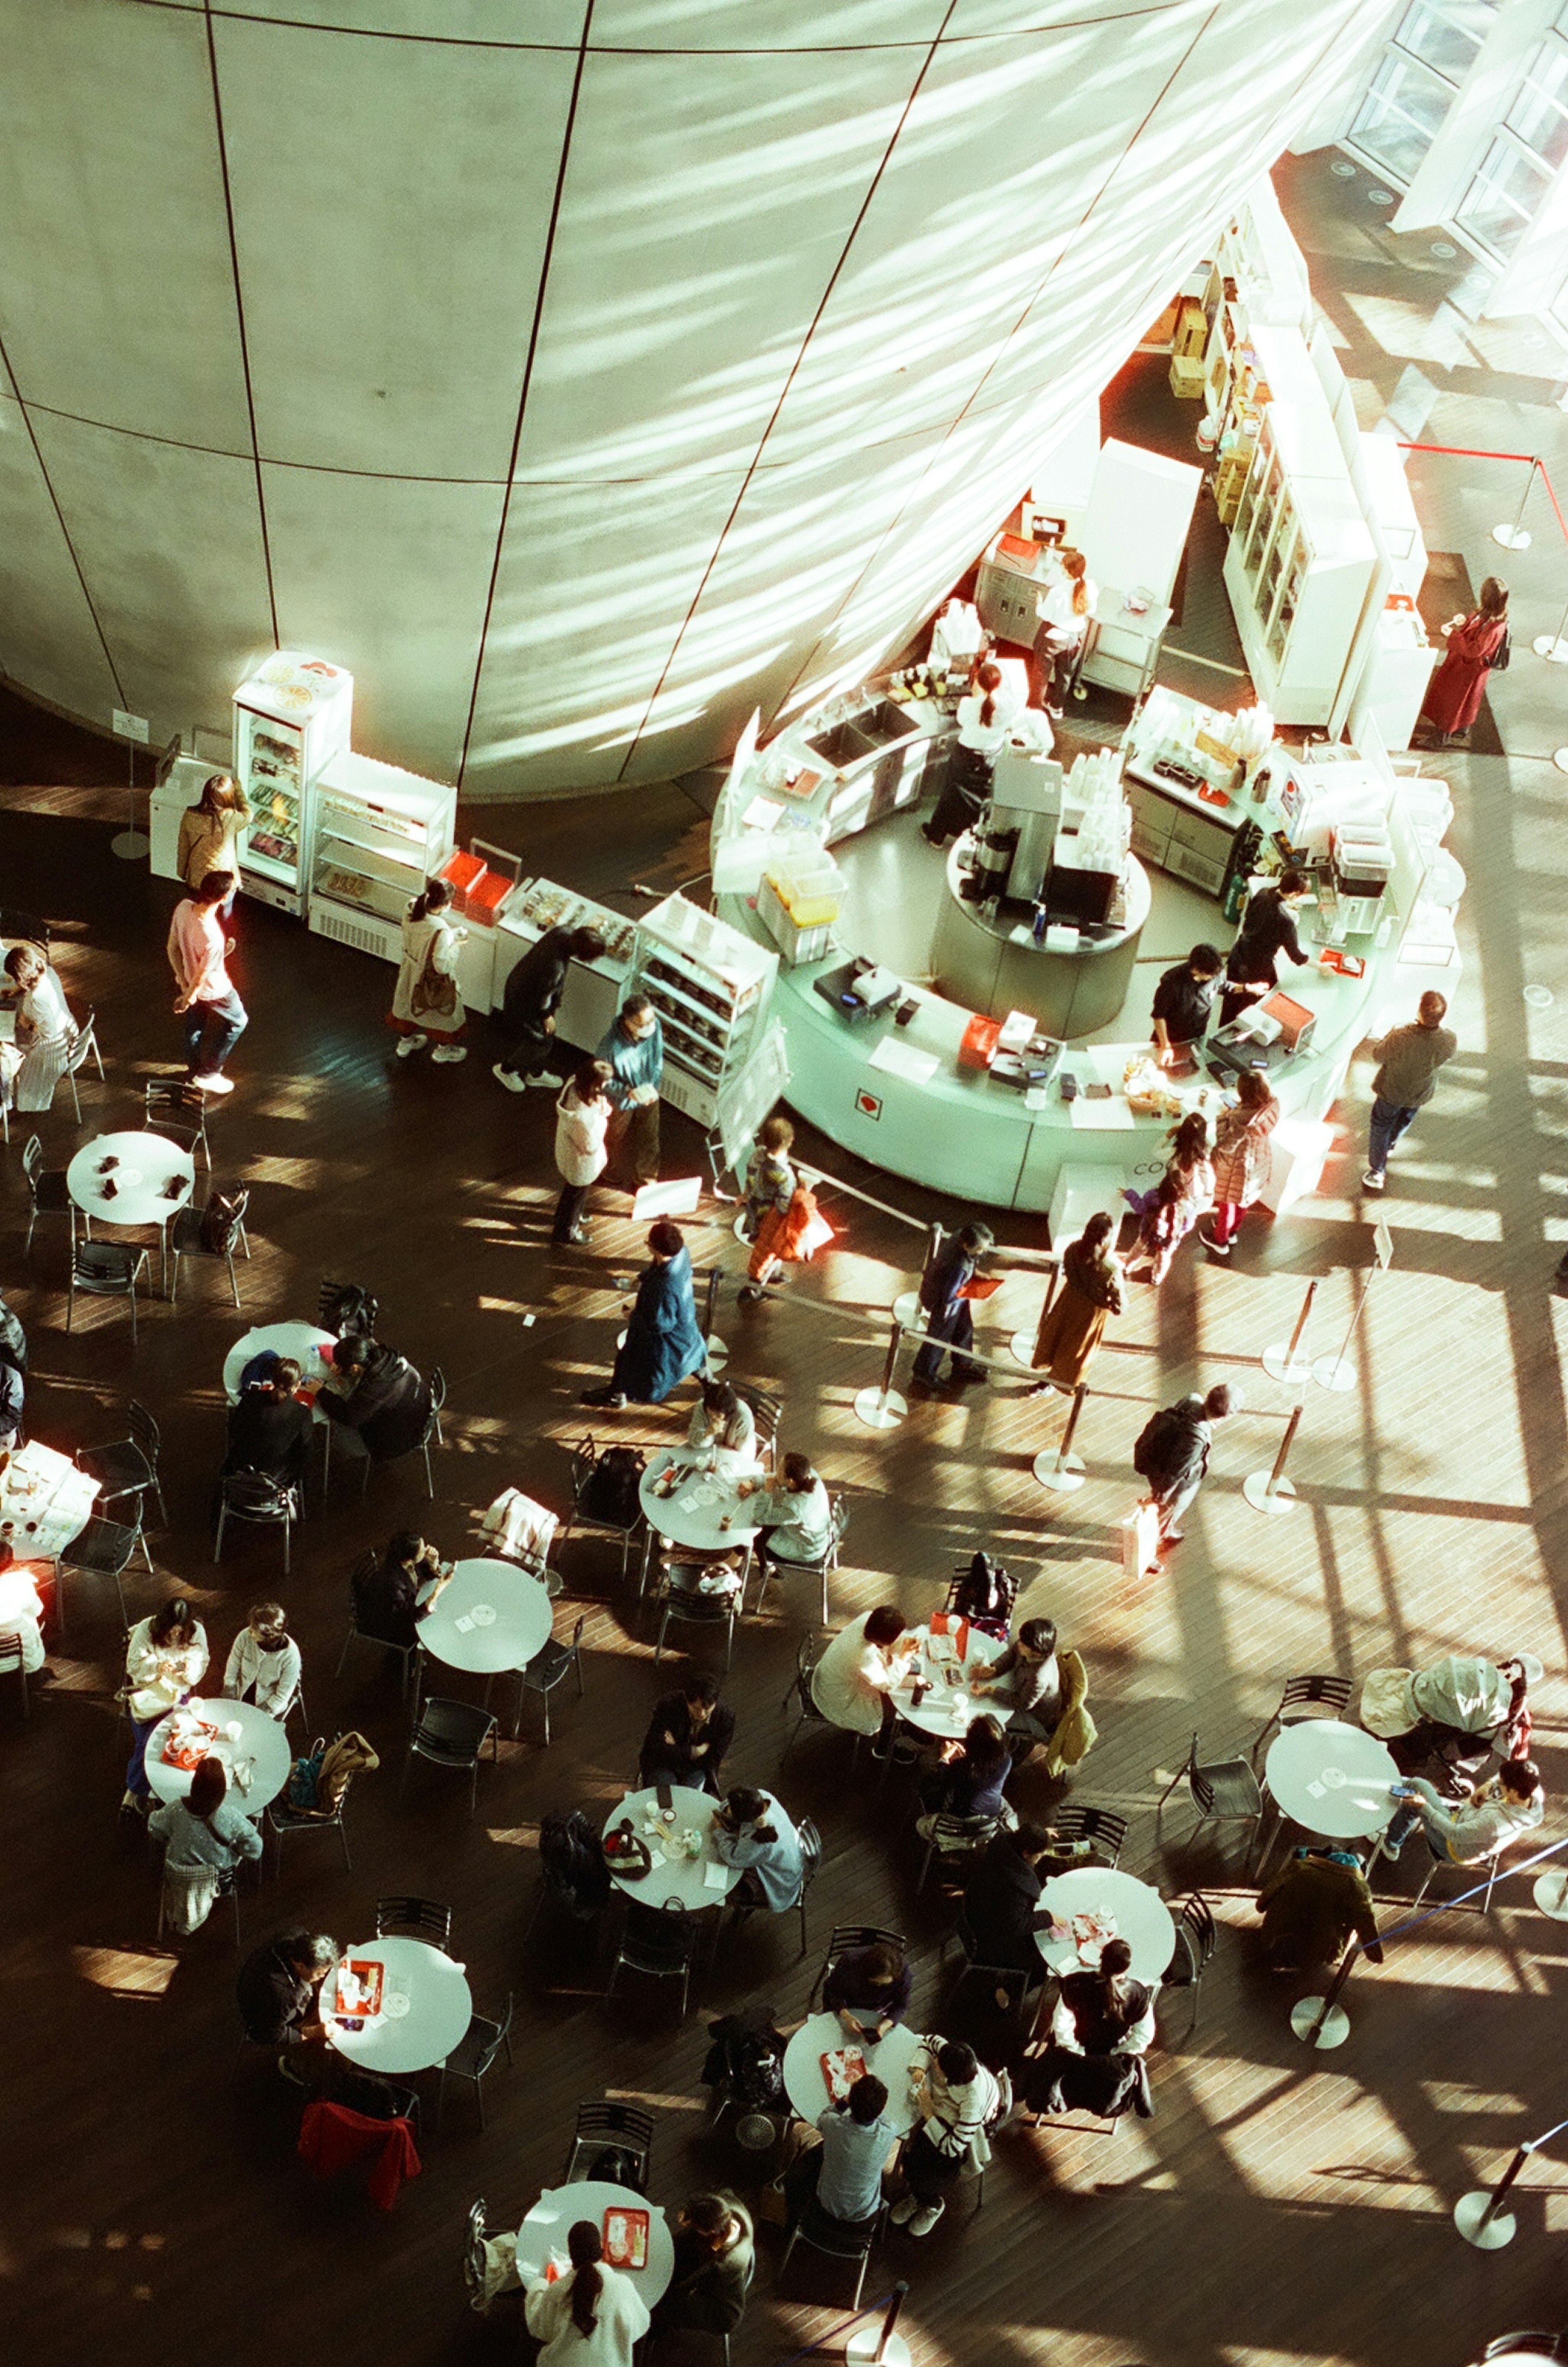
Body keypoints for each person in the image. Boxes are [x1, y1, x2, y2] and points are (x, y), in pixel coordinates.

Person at [1021, 1937, 1156, 2123]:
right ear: (1127, 1969)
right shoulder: (1138, 1994)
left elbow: (1061, 2026)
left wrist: (1079, 2051)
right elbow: (1144, 2036)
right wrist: (1115, 2054)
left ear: (1100, 1957)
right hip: (1106, 2074)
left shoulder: (1075, 1984)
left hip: (1070, 2062)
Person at [581, 1219, 706, 1408]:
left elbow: (661, 1324)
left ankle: (616, 1396)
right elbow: (657, 1268)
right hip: (686, 1326)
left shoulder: (665, 1286)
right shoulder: (681, 1253)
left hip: (662, 1341)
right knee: (693, 1358)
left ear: (655, 1249)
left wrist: (632, 1316)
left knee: (628, 1362)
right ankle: (711, 1385)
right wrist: (642, 1278)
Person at [891, 2037, 1000, 2237]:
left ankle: (933, 2203)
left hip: (964, 2134)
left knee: (930, 2173)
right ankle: (916, 2193)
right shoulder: (951, 2055)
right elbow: (929, 2041)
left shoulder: (972, 2103)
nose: (935, 2062)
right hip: (946, 2114)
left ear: (951, 2077)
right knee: (915, 2156)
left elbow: (953, 2147)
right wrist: (919, 2069)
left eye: (938, 2065)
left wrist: (928, 2113)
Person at [149, 1754, 265, 1933]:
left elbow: (154, 1827)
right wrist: (239, 1850)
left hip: (177, 1879)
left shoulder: (176, 1809)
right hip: (220, 1882)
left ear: (194, 1785)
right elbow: (255, 1851)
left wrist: (172, 1837)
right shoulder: (231, 1816)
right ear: (221, 1790)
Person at [492, 923, 607, 1093]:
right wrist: (547, 1016)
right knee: (542, 1042)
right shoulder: (555, 968)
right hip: (526, 1003)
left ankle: (535, 1073)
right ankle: (507, 1069)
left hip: (520, 987)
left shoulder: (564, 931)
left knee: (542, 1039)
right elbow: (542, 998)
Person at [1362, 990, 1457, 1193]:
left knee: (1381, 1125)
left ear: (1420, 1011)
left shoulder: (1401, 1036)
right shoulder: (1449, 1039)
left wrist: (1389, 1036)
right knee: (1404, 1120)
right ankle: (1390, 1145)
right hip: (1419, 1093)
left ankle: (1378, 1171)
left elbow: (1378, 1055)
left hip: (1392, 1091)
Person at [121, 1597, 209, 1813]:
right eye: (172, 1630)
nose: (175, 1636)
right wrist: (158, 1667)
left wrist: (188, 1669)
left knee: (170, 1741)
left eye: (181, 1631)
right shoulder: (146, 1629)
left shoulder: (197, 1632)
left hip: (177, 1696)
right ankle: (139, 1789)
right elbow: (133, 1667)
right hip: (149, 1693)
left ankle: (139, 1790)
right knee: (151, 1743)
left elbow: (201, 1665)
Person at [524, 2219, 650, 2367]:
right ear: (602, 2247)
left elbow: (539, 2327)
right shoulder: (622, 2286)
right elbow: (640, 2325)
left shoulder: (558, 2291)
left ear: (571, 2254)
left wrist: (540, 2284)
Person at [961, 1823, 1063, 2001]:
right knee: (1043, 1962)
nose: (1040, 1858)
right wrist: (1048, 1918)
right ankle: (1006, 1993)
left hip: (975, 1914)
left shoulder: (1001, 1846)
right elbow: (1016, 1924)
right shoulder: (1014, 1887)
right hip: (990, 1942)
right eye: (1039, 1855)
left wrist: (1041, 1837)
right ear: (1026, 1853)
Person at [167, 868, 247, 1094]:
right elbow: (204, 977)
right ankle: (209, 1073)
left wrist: (183, 983)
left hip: (190, 982)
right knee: (239, 1021)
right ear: (222, 899)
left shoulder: (183, 908)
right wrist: (189, 996)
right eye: (231, 891)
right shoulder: (213, 936)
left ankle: (193, 1070)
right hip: (215, 989)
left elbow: (172, 948)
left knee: (195, 1026)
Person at [1134, 1383, 1237, 1555]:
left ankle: (1164, 1528)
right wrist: (1160, 1498)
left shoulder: (1192, 1399)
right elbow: (1174, 1473)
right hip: (1174, 1488)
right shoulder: (1196, 1439)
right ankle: (1150, 1550)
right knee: (1166, 1515)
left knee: (1164, 1512)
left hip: (1157, 1461)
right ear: (1226, 1417)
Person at [1382, 1759, 1544, 1866]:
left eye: (1502, 1784)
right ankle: (1396, 1831)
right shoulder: (1534, 1796)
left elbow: (1454, 1834)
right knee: (1415, 1797)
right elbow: (1498, 1778)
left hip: (1451, 1845)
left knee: (1418, 1786)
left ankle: (1391, 1844)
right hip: (1466, 1818)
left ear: (1514, 1792)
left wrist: (1424, 1807)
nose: (1498, 1784)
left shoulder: (1495, 1823)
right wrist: (1486, 1786)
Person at [787, 2072, 898, 2228]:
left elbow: (824, 2118)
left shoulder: (834, 2126)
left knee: (817, 2152)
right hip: (864, 2213)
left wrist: (845, 2101)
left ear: (851, 2102)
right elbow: (889, 2123)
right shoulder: (888, 2133)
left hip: (827, 2203)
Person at [1029, 1210, 1123, 1393]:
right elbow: (1121, 1305)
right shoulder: (1110, 1270)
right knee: (1075, 1351)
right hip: (1090, 1315)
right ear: (1107, 1240)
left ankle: (1047, 1380)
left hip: (1068, 1301)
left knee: (1056, 1337)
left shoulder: (1072, 1250)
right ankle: (1058, 1383)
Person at [922, 660, 1012, 847]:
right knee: (979, 800)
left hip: (966, 757)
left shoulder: (969, 704)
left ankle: (936, 836)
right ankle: (968, 835)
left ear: (978, 682)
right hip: (992, 757)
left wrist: (976, 695)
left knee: (951, 796)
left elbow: (962, 721)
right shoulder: (1009, 706)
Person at [1256, 1846, 1383, 1974]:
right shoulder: (1358, 1888)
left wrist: (1262, 1906)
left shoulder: (1299, 1867)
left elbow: (1266, 1896)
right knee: (1355, 1918)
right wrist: (1375, 1955)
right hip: (1320, 1953)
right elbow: (1367, 1925)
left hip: (1274, 1939)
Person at [236, 1927, 338, 2085]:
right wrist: (315, 2032)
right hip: (263, 2021)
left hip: (257, 1987)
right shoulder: (284, 1995)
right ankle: (294, 2067)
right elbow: (269, 2035)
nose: (323, 1976)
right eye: (319, 1974)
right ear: (300, 1966)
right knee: (322, 2049)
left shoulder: (295, 1936)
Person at [1419, 575, 1508, 746]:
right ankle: (1462, 728)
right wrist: (1465, 622)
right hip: (1467, 668)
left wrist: (1452, 635)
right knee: (1465, 703)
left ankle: (1440, 739)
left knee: (1452, 704)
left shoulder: (1494, 626)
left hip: (1467, 669)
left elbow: (1475, 650)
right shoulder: (1493, 616)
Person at [1127, 1112, 1214, 1286]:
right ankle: (1157, 1277)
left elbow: (1156, 1151)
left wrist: (1169, 1134)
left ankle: (1127, 1266)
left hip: (1163, 1207)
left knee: (1142, 1242)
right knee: (1166, 1252)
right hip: (1183, 1213)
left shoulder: (1175, 1152)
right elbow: (1206, 1197)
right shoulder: (1205, 1156)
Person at [388, 875, 468, 1063]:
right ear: (446, 904)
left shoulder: (410, 907)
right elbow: (442, 966)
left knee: (407, 1006)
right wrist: (457, 945)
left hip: (409, 969)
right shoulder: (440, 929)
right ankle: (442, 1051)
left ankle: (406, 1043)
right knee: (441, 1016)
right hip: (430, 980)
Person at [652, 2193, 754, 2338]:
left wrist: (685, 2303)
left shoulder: (729, 2268)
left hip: (695, 2292)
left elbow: (729, 2319)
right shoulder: (720, 2211)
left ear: (711, 2234)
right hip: (693, 2262)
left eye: (694, 2227)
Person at [1200, 1068, 1279, 1254]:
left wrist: (1224, 1118)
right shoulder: (1271, 1107)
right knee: (1244, 1202)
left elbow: (1225, 1144)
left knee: (1228, 1205)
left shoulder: (1239, 1120)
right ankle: (1233, 1231)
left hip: (1237, 1168)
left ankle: (1220, 1241)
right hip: (1258, 1162)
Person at [320, 1334, 432, 1462]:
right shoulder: (385, 1356)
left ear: (354, 1368)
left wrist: (321, 1392)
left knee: (339, 1430)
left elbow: (348, 1417)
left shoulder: (375, 1388)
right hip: (423, 1410)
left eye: (341, 1366)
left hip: (400, 1440)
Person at [1220, 870, 1311, 1027]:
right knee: (1250, 1009)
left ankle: (1219, 1037)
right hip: (1258, 968)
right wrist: (1321, 966)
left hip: (1239, 955)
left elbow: (1249, 916)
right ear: (1296, 894)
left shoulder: (1262, 894)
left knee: (1231, 1002)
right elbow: (1297, 957)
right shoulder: (1286, 921)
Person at [810, 1605, 914, 1742]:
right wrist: (903, 1659)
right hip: (835, 1699)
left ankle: (898, 1729)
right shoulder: (863, 1656)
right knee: (890, 1704)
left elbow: (886, 1640)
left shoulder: (866, 1619)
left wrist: (905, 1643)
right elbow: (887, 1685)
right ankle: (884, 1745)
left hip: (827, 1678)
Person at [912, 1220, 994, 1390]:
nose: (983, 1252)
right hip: (945, 1302)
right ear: (966, 1245)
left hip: (953, 1296)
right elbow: (949, 1295)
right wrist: (974, 1291)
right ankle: (924, 1373)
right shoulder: (959, 1266)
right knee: (939, 1337)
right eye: (981, 1250)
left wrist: (975, 1275)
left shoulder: (961, 1235)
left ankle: (963, 1365)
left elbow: (969, 1264)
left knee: (964, 1328)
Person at [0, 943, 77, 1112]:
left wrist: (25, 1023)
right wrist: (15, 990)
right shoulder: (45, 969)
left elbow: (40, 1030)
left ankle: (15, 1101)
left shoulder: (36, 999)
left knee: (10, 1050)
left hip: (51, 1048)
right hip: (67, 1027)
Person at [222, 1355, 313, 1496]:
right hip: (277, 1480)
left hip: (240, 1471)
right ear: (297, 1385)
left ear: (272, 1379)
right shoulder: (302, 1413)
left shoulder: (250, 1398)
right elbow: (305, 1452)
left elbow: (234, 1429)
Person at [597, 994, 663, 1188]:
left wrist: (653, 1085)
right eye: (644, 1024)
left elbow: (658, 1056)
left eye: (652, 1019)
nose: (650, 1026)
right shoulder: (609, 1048)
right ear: (629, 1022)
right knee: (612, 1137)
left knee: (650, 1138)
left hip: (649, 1091)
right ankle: (604, 1168)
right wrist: (627, 1091)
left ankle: (645, 1180)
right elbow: (603, 1081)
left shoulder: (655, 1027)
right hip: (621, 1101)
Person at [351, 1531, 453, 1652]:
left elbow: (427, 1573)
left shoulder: (401, 1561)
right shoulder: (393, 1584)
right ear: (410, 1558)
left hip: (395, 1609)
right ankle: (412, 1663)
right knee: (437, 1628)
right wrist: (437, 1592)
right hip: (385, 1625)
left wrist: (433, 1562)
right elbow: (410, 1618)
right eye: (422, 1550)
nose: (426, 1550)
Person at [970, 1616, 1062, 1747]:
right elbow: (1013, 1653)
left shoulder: (1039, 1677)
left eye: (1023, 1644)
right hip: (1020, 1688)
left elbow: (1022, 1703)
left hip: (1033, 1715)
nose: (1019, 1644)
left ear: (1036, 1652)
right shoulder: (1029, 1646)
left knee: (987, 1722)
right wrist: (995, 1669)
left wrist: (992, 1690)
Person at [712, 1783, 804, 1912]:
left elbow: (733, 1858)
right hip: (790, 1859)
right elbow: (726, 1804)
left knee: (724, 1891)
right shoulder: (763, 1797)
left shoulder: (759, 1839)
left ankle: (739, 1913)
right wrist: (727, 1809)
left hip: (781, 1882)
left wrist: (720, 1831)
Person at [638, 1673, 735, 1793]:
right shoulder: (668, 1706)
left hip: (697, 1768)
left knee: (689, 1799)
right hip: (664, 1764)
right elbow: (656, 1747)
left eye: (708, 1708)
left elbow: (714, 1758)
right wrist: (694, 1752)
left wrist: (676, 1748)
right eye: (696, 1708)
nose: (702, 1714)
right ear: (686, 1699)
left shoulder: (725, 1718)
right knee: (666, 1798)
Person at [552, 1059, 613, 1244]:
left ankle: (568, 1216)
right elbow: (589, 1146)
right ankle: (567, 1231)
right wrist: (603, 1122)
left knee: (572, 1193)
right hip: (580, 1163)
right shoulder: (580, 1117)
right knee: (575, 1195)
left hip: (568, 1153)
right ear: (595, 1084)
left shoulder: (574, 1085)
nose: (608, 1086)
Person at [737, 1451, 832, 1566]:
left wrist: (767, 1492)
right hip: (817, 1534)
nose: (776, 1472)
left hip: (804, 1549)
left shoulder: (795, 1509)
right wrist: (754, 1483)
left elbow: (760, 1517)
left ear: (790, 1482)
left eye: (780, 1470)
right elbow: (777, 1479)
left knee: (743, 1541)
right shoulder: (809, 1475)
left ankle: (767, 1568)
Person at [1031, 548, 1096, 716]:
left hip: (1053, 637)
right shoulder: (1089, 587)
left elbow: (1045, 614)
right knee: (1064, 674)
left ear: (1066, 570)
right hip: (1073, 639)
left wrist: (1039, 603)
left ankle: (1035, 708)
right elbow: (1091, 609)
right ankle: (1057, 707)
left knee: (1041, 674)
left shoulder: (1057, 593)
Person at [917, 1713, 1010, 1824]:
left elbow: (942, 1776)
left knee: (926, 1762)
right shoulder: (1007, 1760)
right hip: (991, 1810)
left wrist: (945, 1757)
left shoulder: (962, 1768)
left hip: (961, 1815)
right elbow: (983, 1770)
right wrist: (967, 1758)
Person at [176, 770, 250, 906]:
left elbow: (183, 847)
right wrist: (237, 788)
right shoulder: (230, 818)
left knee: (198, 911)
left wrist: (181, 872)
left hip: (197, 880)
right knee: (224, 913)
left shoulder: (190, 815)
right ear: (227, 797)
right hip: (223, 883)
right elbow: (248, 814)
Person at [221, 1603, 302, 1719]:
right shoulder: (245, 1636)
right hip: (241, 1690)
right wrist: (230, 1687)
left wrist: (259, 1714)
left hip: (266, 1702)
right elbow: (233, 1663)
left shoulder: (291, 1657)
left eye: (254, 1630)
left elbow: (282, 1696)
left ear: (269, 1637)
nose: (249, 1632)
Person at [1151, 943, 1223, 1068]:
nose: (1214, 978)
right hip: (1172, 1037)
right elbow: (1159, 1016)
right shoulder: (1171, 983)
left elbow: (1223, 985)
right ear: (1196, 970)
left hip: (1197, 1035)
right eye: (1211, 976)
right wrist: (1165, 1046)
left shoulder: (1216, 973)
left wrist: (1246, 988)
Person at [823, 1941, 914, 2038]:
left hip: (879, 2008)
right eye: (875, 1983)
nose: (879, 1987)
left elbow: (901, 2006)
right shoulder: (849, 1962)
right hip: (846, 2002)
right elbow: (832, 1989)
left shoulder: (904, 1976)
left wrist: (884, 2026)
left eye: (885, 1985)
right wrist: (846, 2016)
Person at [742, 1114, 797, 1245]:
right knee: (767, 1251)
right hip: (768, 1221)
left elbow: (750, 1179)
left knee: (756, 1238)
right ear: (790, 1140)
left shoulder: (757, 1154)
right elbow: (783, 1207)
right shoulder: (786, 1175)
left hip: (753, 1208)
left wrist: (745, 1194)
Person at [686, 1377, 757, 1464]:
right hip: (711, 1450)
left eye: (718, 1415)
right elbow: (693, 1440)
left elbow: (741, 1453)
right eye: (711, 1413)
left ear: (728, 1413)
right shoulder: (701, 1407)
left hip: (736, 1453)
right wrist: (708, 1433)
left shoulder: (743, 1417)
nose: (714, 1417)